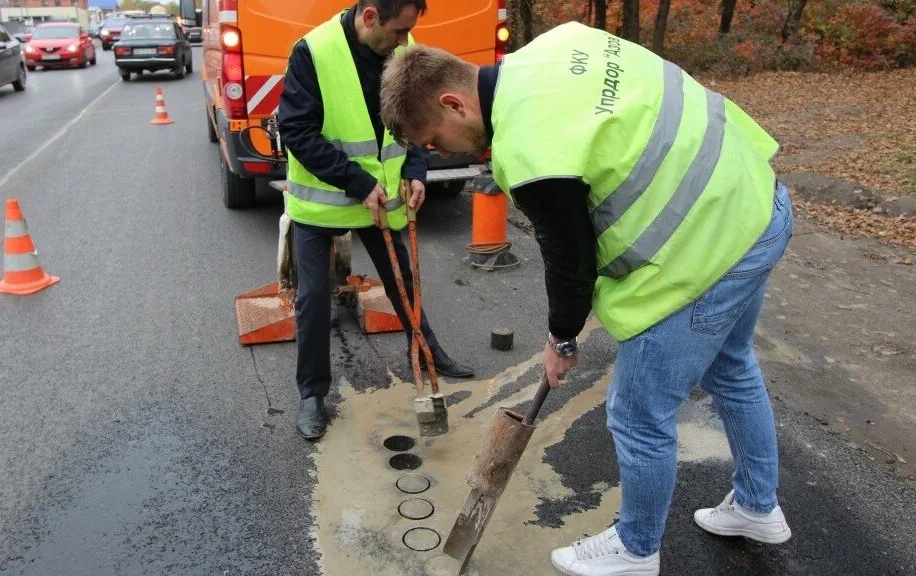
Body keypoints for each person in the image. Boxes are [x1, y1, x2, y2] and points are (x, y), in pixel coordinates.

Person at [380, 21, 794, 576]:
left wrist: (561, 340)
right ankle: (757, 506)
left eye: (433, 140)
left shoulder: (528, 150)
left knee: (638, 411)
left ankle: (637, 547)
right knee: (733, 367)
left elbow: (571, 262)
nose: (437, 153)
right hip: (755, 201)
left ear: (453, 104)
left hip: (706, 250)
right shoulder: (562, 42)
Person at [278, 0, 474, 441]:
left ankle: (427, 353)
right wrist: (356, 181)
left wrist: (415, 170)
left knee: (404, 279)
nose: (406, 41)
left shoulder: (405, 49)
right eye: (399, 31)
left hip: (382, 200)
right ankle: (312, 395)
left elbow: (415, 120)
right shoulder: (314, 52)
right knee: (313, 298)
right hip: (324, 202)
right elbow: (296, 130)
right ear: (370, 19)